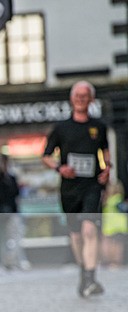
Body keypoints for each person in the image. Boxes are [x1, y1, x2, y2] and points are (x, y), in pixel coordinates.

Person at [42, 81, 111, 297]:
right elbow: (46, 155)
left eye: (85, 96)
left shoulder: (98, 127)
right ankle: (84, 274)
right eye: (77, 95)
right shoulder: (61, 128)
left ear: (91, 99)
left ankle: (91, 278)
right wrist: (59, 168)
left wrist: (107, 168)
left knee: (90, 229)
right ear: (72, 99)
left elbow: (105, 151)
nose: (81, 99)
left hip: (91, 185)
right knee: (76, 235)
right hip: (69, 188)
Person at [101, 179, 127, 268]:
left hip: (108, 226)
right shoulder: (119, 199)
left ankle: (108, 260)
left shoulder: (105, 201)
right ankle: (116, 262)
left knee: (108, 243)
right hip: (120, 226)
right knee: (118, 245)